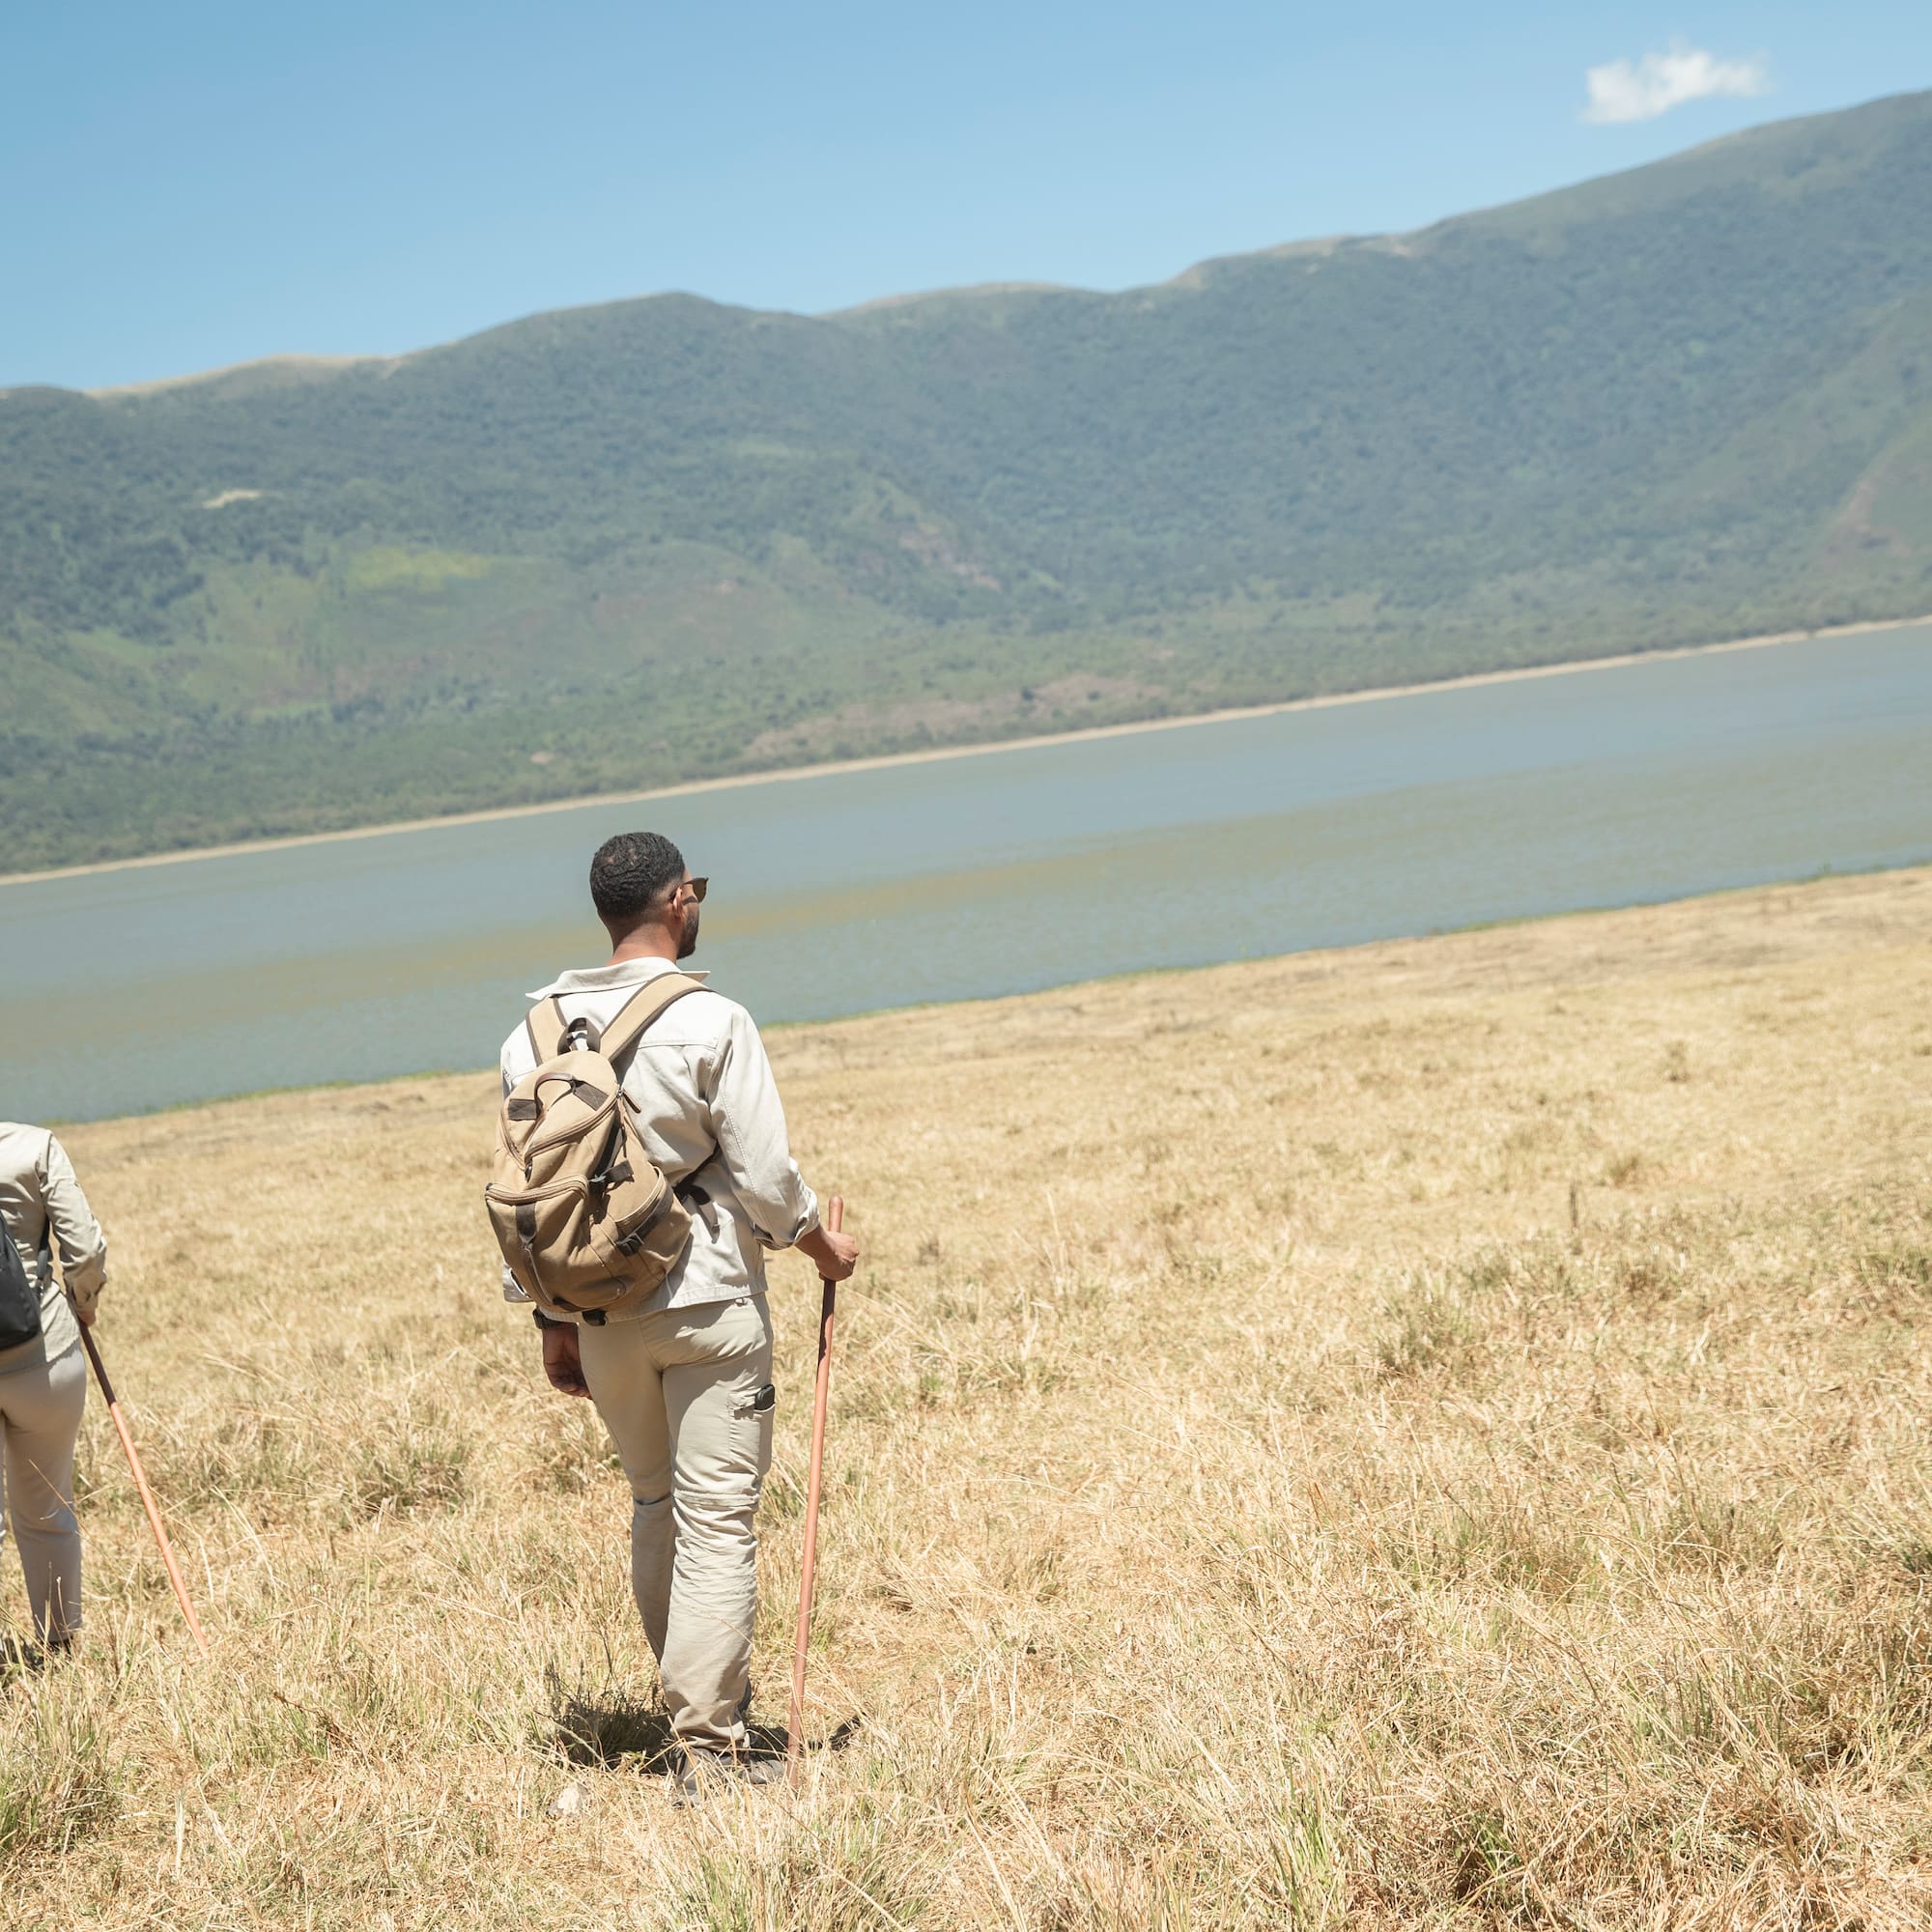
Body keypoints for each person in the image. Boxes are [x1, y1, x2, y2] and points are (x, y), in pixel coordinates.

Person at [497, 830, 858, 1800]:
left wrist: (552, 1322)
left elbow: (535, 1189)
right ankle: (709, 1747)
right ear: (676, 900)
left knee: (655, 1502)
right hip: (706, 1297)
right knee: (716, 1520)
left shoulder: (529, 1033)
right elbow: (768, 1175)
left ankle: (688, 1715)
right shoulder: (714, 1019)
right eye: (695, 889)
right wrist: (819, 1244)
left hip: (593, 1308)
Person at [0, 1122, 108, 1662]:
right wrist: (83, 1300)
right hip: (44, 1356)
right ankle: (60, 1646)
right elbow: (84, 1251)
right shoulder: (32, 1146)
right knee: (46, 1507)